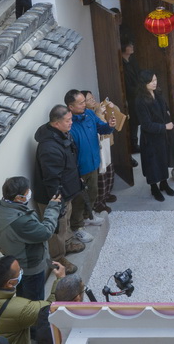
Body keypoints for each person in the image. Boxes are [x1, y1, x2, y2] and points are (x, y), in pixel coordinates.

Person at [0, 255, 64, 344]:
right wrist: (60, 280)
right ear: (10, 283)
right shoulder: (20, 308)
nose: (21, 271)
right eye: (19, 271)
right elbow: (50, 308)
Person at [0, 177, 62, 303]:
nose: (29, 193)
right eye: (27, 192)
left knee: (21, 296)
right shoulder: (21, 222)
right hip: (31, 266)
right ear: (18, 198)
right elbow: (46, 232)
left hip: (16, 262)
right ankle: (34, 321)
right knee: (34, 303)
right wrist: (53, 208)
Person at [32, 105, 83, 274]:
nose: (71, 122)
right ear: (55, 123)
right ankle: (58, 258)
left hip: (66, 192)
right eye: (68, 120)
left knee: (65, 222)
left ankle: (67, 244)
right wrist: (57, 203)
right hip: (54, 197)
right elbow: (52, 179)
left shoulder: (61, 135)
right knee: (56, 229)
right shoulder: (49, 148)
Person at [65, 90, 114, 245]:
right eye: (80, 103)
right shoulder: (69, 125)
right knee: (79, 199)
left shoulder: (90, 115)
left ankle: (88, 216)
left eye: (84, 101)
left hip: (93, 163)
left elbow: (102, 128)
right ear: (70, 107)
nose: (84, 104)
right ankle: (77, 227)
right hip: (79, 169)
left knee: (93, 192)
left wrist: (109, 126)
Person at [136, 70, 174, 202]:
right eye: (151, 81)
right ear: (144, 83)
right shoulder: (140, 100)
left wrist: (168, 113)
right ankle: (154, 187)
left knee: (163, 159)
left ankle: (164, 183)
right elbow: (146, 124)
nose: (154, 83)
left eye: (155, 80)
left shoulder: (157, 93)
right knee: (152, 164)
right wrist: (164, 127)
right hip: (150, 138)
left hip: (161, 135)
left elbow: (164, 107)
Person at [83, 91, 117, 213]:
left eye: (92, 98)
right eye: (89, 99)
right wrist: (99, 114)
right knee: (101, 174)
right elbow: (99, 128)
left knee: (109, 171)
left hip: (107, 144)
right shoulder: (88, 115)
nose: (93, 100)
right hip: (99, 147)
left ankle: (106, 194)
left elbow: (115, 114)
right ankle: (99, 202)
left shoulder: (98, 106)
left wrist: (111, 107)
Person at [120, 38, 143, 159]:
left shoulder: (132, 60)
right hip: (130, 96)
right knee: (132, 121)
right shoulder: (121, 64)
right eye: (129, 45)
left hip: (137, 93)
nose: (132, 46)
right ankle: (132, 144)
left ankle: (135, 143)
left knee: (136, 121)